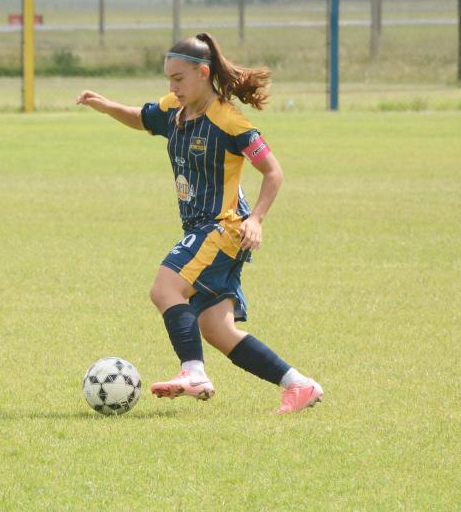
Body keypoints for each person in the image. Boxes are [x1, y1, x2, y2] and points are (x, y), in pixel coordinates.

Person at [76, 33, 323, 414]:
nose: (172, 87)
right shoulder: (175, 109)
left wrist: (256, 220)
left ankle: (193, 373)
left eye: (178, 78)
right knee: (217, 330)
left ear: (202, 73)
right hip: (202, 230)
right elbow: (142, 118)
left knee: (164, 288)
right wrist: (106, 105)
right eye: (168, 79)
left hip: (222, 227)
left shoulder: (230, 122)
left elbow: (273, 172)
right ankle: (299, 384)